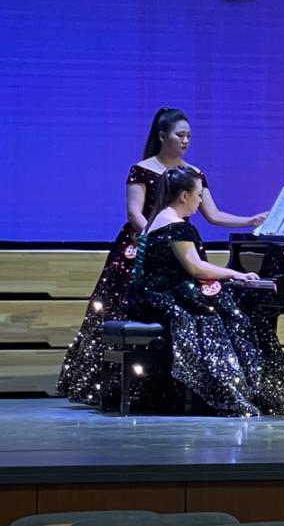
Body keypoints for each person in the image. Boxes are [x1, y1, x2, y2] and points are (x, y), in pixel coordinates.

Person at [56, 107, 267, 405]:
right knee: (121, 307)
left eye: (189, 136)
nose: (185, 141)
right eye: (180, 135)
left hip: (180, 245)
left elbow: (214, 214)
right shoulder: (142, 169)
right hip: (143, 245)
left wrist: (249, 221)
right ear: (162, 136)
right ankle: (113, 386)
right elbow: (134, 214)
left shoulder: (192, 174)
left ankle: (176, 386)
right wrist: (158, 238)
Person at [126, 166, 284, 416]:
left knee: (231, 309)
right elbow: (195, 268)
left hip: (151, 293)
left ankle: (249, 386)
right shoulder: (177, 225)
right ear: (184, 196)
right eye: (198, 196)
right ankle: (242, 389)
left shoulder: (158, 218)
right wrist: (235, 274)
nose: (200, 202)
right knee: (235, 317)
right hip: (166, 295)